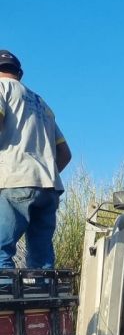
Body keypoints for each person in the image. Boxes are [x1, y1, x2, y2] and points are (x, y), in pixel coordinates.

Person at [0, 50, 72, 270]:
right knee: (41, 261)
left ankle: (6, 304)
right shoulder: (41, 104)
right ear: (19, 73)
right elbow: (65, 153)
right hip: (48, 187)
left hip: (14, 180)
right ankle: (40, 304)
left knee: (1, 252)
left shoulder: (2, 89)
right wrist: (44, 172)